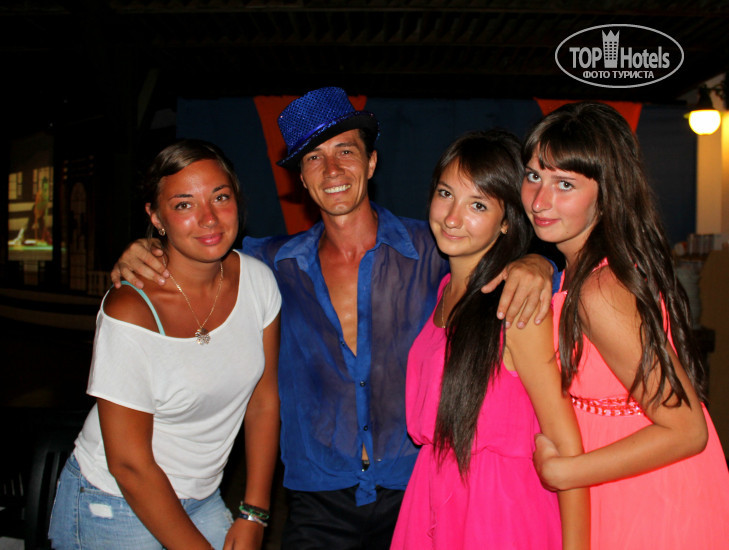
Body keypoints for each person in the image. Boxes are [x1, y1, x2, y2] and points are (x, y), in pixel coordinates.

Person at [111, 87, 556, 549]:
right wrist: (147, 250)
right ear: (301, 179)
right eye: (314, 158)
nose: (332, 170)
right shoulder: (270, 265)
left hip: (416, 488)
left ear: (371, 163)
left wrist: (538, 262)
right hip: (317, 498)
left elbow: (503, 260)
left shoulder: (434, 247)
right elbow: (199, 257)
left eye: (345, 151)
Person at [48, 139, 281, 550]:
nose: (209, 218)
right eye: (184, 204)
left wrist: (254, 513)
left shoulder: (258, 282)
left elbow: (263, 400)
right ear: (156, 218)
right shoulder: (130, 311)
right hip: (115, 501)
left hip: (202, 496)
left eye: (220, 197)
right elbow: (129, 464)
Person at [524, 102, 729, 549]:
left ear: (607, 192)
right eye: (534, 176)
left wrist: (563, 471)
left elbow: (686, 430)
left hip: (654, 492)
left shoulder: (600, 291)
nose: (539, 201)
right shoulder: (590, 271)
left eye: (564, 184)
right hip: (622, 476)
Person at [390, 130, 588, 549]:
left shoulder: (515, 305)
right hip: (432, 500)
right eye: (446, 194)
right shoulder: (445, 291)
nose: (452, 218)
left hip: (500, 515)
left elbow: (566, 442)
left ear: (507, 221)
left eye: (477, 205)